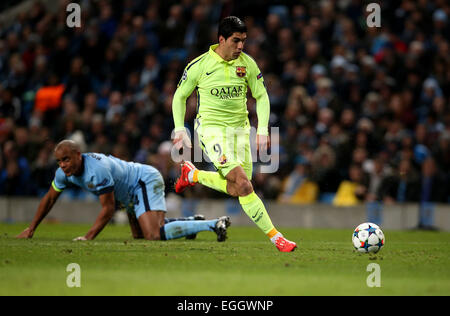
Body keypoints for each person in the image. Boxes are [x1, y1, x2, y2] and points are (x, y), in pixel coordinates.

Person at [171, 16, 297, 252]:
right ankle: (276, 238)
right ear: (222, 39)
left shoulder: (247, 64)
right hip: (211, 130)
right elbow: (180, 96)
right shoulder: (199, 65)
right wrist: (180, 128)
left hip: (240, 131)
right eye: (236, 41)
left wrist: (261, 130)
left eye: (244, 41)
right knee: (244, 184)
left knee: (240, 188)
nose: (241, 46)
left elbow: (261, 95)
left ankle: (193, 175)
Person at [16, 140, 230, 241]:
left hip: (142, 180)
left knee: (153, 235)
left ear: (78, 155)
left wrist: (88, 237)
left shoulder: (96, 170)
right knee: (140, 236)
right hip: (128, 193)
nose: (62, 165)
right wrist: (31, 228)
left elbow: (108, 209)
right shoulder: (63, 174)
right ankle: (192, 222)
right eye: (59, 161)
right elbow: (49, 199)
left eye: (66, 159)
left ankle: (213, 224)